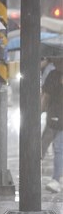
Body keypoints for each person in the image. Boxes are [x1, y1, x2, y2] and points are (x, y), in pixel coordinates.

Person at [41, 57, 63, 193]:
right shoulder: (53, 75)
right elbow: (46, 95)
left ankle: (56, 179)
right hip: (54, 116)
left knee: (58, 147)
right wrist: (40, 110)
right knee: (47, 143)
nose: (56, 64)